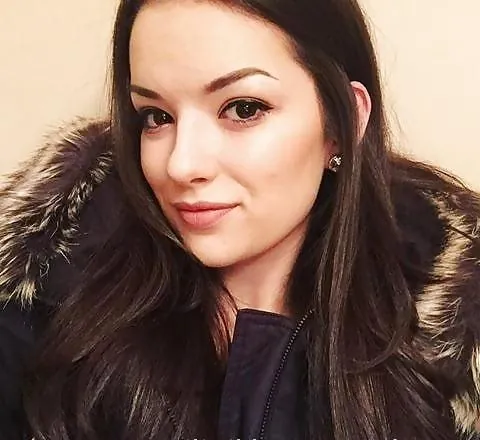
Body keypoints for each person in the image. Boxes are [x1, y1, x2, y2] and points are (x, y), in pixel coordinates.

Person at [0, 0, 479, 438]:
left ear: (343, 122)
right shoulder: (47, 299)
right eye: (156, 116)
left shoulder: (450, 349)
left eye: (243, 109)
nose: (181, 165)